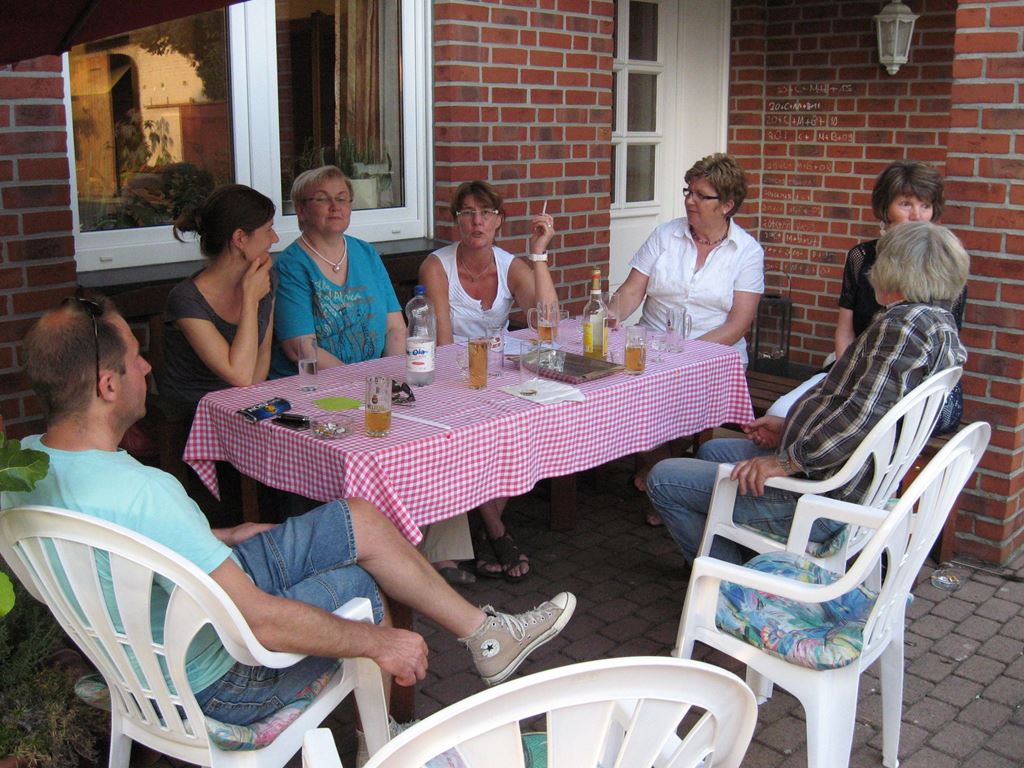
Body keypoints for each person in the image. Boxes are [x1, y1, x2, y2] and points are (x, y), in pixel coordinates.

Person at [8, 296, 576, 727]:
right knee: (363, 589)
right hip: (218, 680)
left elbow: (122, 544)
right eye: (137, 359)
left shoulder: (22, 472)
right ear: (108, 386)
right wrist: (381, 642)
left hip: (152, 639)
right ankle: (389, 744)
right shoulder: (145, 491)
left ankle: (486, 635)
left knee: (358, 516)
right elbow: (258, 620)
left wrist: (221, 533)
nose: (148, 369)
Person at [645, 221, 969, 565]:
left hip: (823, 497)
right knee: (713, 450)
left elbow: (861, 418)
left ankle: (728, 583)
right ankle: (751, 557)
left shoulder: (902, 329)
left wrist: (785, 461)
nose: (872, 271)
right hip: (843, 475)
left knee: (664, 479)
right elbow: (860, 410)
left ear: (895, 271)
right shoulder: (937, 324)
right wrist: (791, 427)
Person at [417, 180, 558, 583]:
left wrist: (539, 254)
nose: (476, 221)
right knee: (471, 433)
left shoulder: (510, 265)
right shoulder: (437, 265)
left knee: (525, 425)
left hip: (499, 374)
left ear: (499, 221)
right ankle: (496, 530)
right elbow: (444, 344)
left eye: (486, 213)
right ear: (456, 221)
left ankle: (479, 527)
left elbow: (548, 321)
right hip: (451, 376)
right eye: (467, 213)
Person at [608, 153, 765, 513]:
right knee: (617, 391)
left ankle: (660, 472)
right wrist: (609, 317)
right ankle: (663, 472)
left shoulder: (747, 252)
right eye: (688, 191)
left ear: (727, 205)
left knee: (673, 392)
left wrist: (685, 354)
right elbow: (632, 290)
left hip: (714, 355)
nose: (690, 201)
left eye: (701, 195)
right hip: (652, 348)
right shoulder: (666, 234)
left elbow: (738, 324)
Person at [767, 161, 966, 434]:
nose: (917, 215)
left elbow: (940, 351)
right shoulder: (862, 257)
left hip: (916, 387)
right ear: (886, 209)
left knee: (862, 429)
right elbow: (845, 330)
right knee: (780, 413)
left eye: (925, 205)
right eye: (906, 204)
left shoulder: (945, 267)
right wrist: (847, 378)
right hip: (854, 368)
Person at [271, 165, 406, 377]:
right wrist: (359, 381)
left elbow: (395, 329)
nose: (335, 207)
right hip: (313, 385)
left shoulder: (366, 253)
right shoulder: (291, 265)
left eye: (342, 198)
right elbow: (300, 347)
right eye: (322, 199)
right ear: (301, 210)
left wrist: (389, 378)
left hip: (375, 381)